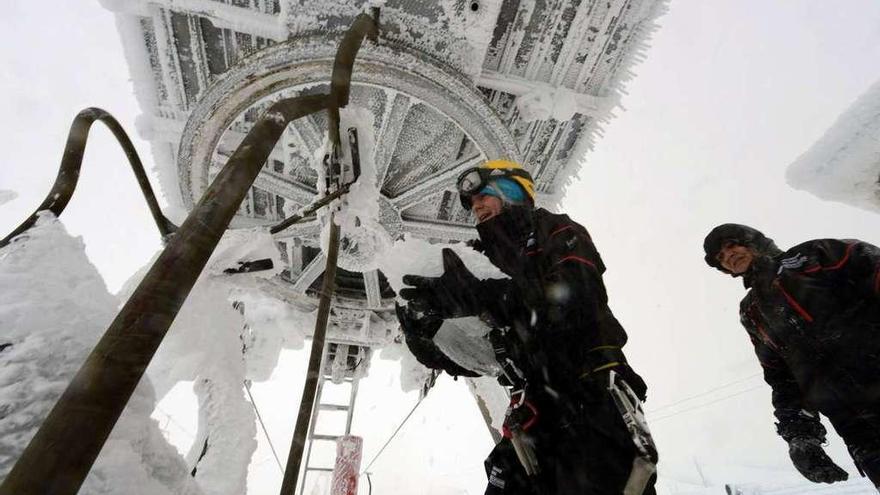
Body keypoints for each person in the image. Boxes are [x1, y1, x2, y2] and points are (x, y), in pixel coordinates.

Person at [396, 159, 657, 494]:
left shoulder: (556, 230)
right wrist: (427, 336)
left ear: (513, 191)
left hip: (589, 398)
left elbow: (574, 301)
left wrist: (483, 296)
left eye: (484, 194)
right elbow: (485, 357)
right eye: (472, 202)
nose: (476, 206)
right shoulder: (479, 259)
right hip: (530, 414)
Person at [703, 224, 880, 486]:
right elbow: (782, 378)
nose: (728, 255)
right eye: (720, 257)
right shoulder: (751, 312)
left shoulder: (814, 255)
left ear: (752, 240)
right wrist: (800, 435)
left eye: (731, 245)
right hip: (857, 427)